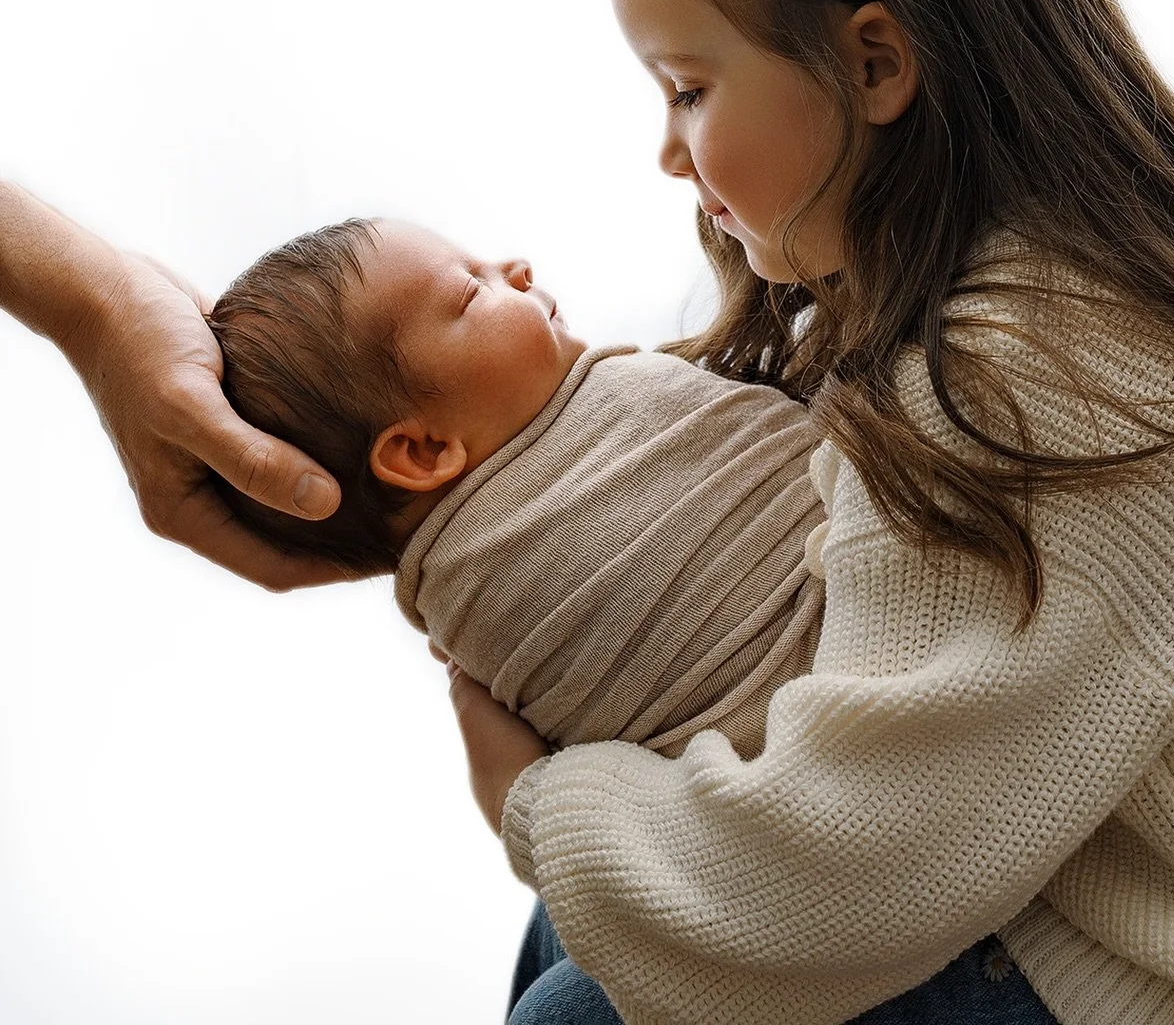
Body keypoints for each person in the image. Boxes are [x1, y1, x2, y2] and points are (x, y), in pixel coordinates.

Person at [3, 0, 1174, 1022]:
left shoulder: (1015, 376)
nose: (669, 152)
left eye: (688, 87)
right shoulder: (1079, 300)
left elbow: (840, 880)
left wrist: (537, 799)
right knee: (589, 934)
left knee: (589, 987)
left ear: (875, 65)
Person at [206, 214, 826, 757]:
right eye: (473, 291)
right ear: (424, 451)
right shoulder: (490, 573)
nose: (518, 267)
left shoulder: (465, 627)